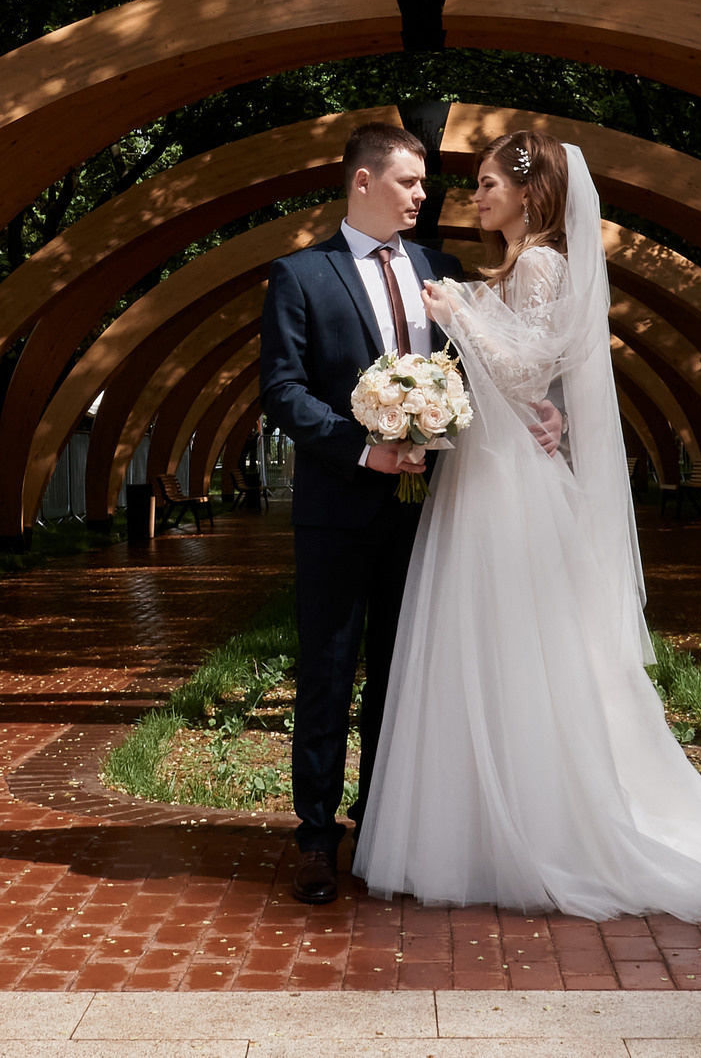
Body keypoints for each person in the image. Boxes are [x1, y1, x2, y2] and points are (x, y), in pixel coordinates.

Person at [354, 129, 701, 921]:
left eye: (486, 184)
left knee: (516, 646)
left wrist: (457, 316)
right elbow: (524, 383)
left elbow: (527, 369)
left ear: (529, 193)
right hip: (488, 472)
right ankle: (477, 827)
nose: (474, 197)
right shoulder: (510, 269)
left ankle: (534, 829)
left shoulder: (543, 263)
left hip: (509, 484)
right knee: (477, 646)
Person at [256, 122, 464, 906]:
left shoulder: (442, 272)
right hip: (340, 509)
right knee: (328, 672)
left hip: (430, 515)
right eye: (411, 182)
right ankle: (315, 837)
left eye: (425, 184)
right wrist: (361, 447)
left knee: (403, 677)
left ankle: (381, 824)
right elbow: (283, 390)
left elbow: (470, 371)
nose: (423, 196)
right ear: (363, 183)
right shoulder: (303, 275)